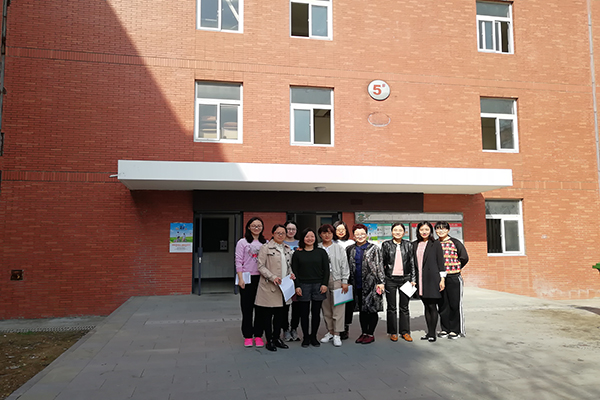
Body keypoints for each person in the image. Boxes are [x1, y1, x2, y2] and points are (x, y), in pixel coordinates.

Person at [255, 224, 295, 352]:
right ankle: (269, 340)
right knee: (268, 315)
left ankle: (277, 338)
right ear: (273, 234)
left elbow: (289, 265)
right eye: (278, 233)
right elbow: (260, 266)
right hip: (270, 286)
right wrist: (272, 277)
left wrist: (291, 274)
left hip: (284, 286)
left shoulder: (287, 249)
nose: (281, 235)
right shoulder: (265, 248)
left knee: (280, 315)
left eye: (283, 233)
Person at [346, 224, 385, 344]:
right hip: (356, 283)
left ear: (367, 235)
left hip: (372, 283)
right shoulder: (350, 249)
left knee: (372, 309)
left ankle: (370, 334)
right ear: (353, 236)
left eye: (362, 234)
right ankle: (364, 333)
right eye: (357, 234)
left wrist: (381, 282)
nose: (360, 236)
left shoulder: (374, 248)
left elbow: (379, 265)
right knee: (362, 309)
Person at [291, 228, 330, 348]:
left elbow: (326, 270)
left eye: (312, 236)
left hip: (318, 285)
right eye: (307, 236)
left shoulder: (321, 252)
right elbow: (294, 271)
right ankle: (306, 337)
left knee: (316, 313)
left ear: (315, 238)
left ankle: (313, 336)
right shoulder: (297, 253)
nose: (310, 239)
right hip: (303, 285)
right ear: (303, 238)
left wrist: (324, 284)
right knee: (304, 313)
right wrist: (297, 285)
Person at [381, 222, 416, 342]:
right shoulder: (386, 245)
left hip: (405, 279)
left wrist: (413, 279)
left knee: (404, 307)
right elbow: (382, 263)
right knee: (391, 307)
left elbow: (412, 262)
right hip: (390, 279)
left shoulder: (409, 245)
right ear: (391, 232)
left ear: (404, 232)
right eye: (395, 230)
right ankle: (392, 332)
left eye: (400, 230)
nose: (397, 232)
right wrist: (382, 280)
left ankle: (405, 332)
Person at [235, 217, 267, 348]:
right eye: (254, 225)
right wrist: (240, 278)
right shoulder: (242, 242)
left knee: (260, 308)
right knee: (247, 308)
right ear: (248, 227)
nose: (256, 228)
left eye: (259, 225)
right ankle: (248, 335)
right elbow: (238, 260)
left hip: (262, 278)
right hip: (247, 278)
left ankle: (258, 335)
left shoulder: (265, 243)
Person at [435, 221, 469, 340]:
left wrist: (455, 267)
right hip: (440, 279)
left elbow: (464, 257)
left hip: (454, 277)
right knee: (443, 304)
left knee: (455, 304)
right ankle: (445, 329)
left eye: (443, 229)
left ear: (448, 230)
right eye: (438, 229)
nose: (441, 231)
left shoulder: (455, 242)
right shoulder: (435, 244)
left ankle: (456, 330)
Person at [412, 221, 445, 342]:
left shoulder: (435, 244)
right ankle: (429, 332)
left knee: (432, 306)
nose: (424, 232)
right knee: (426, 305)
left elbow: (441, 262)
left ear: (430, 231)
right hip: (420, 279)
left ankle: (432, 333)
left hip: (432, 278)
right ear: (418, 231)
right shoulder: (414, 244)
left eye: (426, 229)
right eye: (422, 230)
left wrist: (442, 279)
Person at [318, 224, 350, 347]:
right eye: (324, 233)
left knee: (338, 307)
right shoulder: (317, 247)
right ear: (320, 234)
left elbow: (344, 265)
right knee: (326, 307)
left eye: (329, 233)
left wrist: (344, 280)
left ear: (333, 234)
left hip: (336, 279)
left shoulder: (339, 248)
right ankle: (330, 331)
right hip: (321, 280)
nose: (327, 235)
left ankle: (337, 333)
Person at [333, 220, 355, 340]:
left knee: (347, 303)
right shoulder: (331, 243)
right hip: (335, 276)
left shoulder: (351, 243)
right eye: (338, 229)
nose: (341, 232)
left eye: (343, 229)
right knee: (336, 303)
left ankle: (345, 327)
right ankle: (335, 328)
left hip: (349, 276)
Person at [281, 220, 301, 342]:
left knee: (297, 306)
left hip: (298, 279)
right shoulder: (280, 243)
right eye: (288, 229)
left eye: (293, 229)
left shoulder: (300, 243)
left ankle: (294, 328)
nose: (291, 231)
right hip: (285, 279)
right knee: (285, 306)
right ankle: (285, 329)